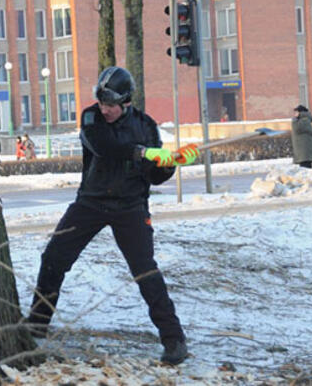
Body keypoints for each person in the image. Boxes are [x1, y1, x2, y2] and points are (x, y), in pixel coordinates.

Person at [26, 66, 200, 365]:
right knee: (54, 257)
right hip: (90, 203)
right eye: (102, 103)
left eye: (110, 105)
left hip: (130, 207)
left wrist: (169, 164)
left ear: (126, 103)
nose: (105, 109)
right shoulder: (91, 117)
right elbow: (104, 148)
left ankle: (174, 340)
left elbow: (154, 176)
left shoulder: (146, 125)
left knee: (145, 271)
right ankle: (37, 323)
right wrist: (142, 153)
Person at [291, 104, 312, 169]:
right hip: (303, 151)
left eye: (296, 112)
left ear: (301, 112)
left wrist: (294, 121)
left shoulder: (304, 120)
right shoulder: (303, 120)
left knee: (305, 168)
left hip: (304, 151)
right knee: (305, 167)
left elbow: (297, 129)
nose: (295, 114)